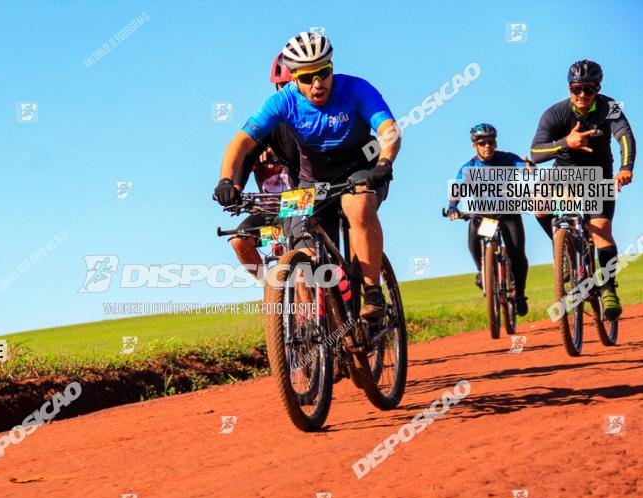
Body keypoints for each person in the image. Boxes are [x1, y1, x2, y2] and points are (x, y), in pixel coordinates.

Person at [214, 31, 401, 320]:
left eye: (323, 73)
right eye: (306, 77)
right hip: (312, 182)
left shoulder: (357, 89)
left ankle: (372, 291)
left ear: (332, 68)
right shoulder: (283, 102)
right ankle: (316, 319)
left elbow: (388, 129)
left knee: (357, 205)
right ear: (294, 79)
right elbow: (240, 144)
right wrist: (227, 180)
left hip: (361, 170)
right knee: (294, 231)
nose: (317, 84)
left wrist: (385, 162)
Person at [530, 59, 636, 319]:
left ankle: (609, 288)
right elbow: (535, 151)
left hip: (598, 174)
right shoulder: (555, 113)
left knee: (601, 231)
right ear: (569, 88)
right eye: (577, 89)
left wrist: (625, 168)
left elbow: (625, 135)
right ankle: (563, 249)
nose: (582, 95)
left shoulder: (609, 108)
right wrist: (566, 141)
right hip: (564, 173)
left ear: (598, 89)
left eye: (589, 89)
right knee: (539, 206)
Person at [228, 53, 302, 278]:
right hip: (272, 217)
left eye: (290, 85)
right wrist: (235, 189)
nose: (285, 92)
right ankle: (270, 289)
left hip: (301, 207)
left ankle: (311, 306)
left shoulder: (309, 122)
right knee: (241, 242)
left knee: (300, 263)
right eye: (281, 86)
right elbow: (245, 155)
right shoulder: (269, 121)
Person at [447, 123, 531, 316]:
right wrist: (453, 206)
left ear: (496, 143)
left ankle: (520, 294)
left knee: (517, 253)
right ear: (474, 146)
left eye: (491, 142)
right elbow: (457, 188)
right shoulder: (470, 167)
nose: (487, 146)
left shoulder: (507, 159)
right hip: (487, 218)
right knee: (473, 231)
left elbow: (523, 167)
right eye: (482, 142)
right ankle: (482, 271)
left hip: (508, 213)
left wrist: (528, 167)